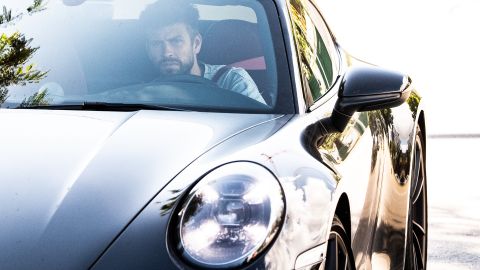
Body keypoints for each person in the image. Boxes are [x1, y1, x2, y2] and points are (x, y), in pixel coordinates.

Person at [139, 0, 266, 104]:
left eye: (176, 41)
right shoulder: (142, 92)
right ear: (148, 49)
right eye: (156, 43)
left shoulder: (231, 81)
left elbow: (262, 127)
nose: (167, 52)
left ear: (196, 44)